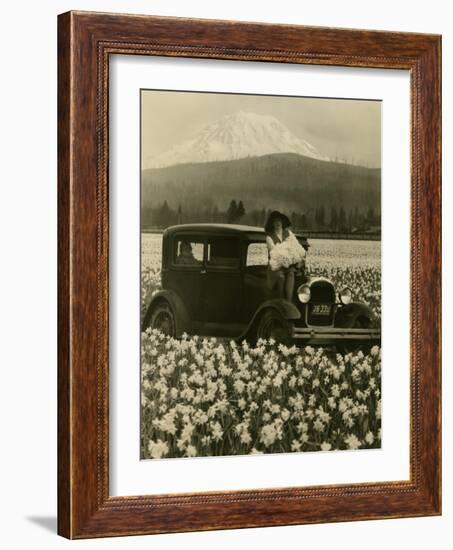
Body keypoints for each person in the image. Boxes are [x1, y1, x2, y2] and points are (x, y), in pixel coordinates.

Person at [264, 211, 305, 301]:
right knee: (281, 277)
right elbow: (275, 254)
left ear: (282, 222)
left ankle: (289, 302)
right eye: (275, 221)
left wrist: (292, 255)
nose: (278, 223)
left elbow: (296, 247)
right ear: (272, 223)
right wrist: (289, 252)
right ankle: (281, 300)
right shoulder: (269, 237)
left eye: (279, 220)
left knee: (291, 273)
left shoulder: (289, 234)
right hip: (275, 266)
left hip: (288, 264)